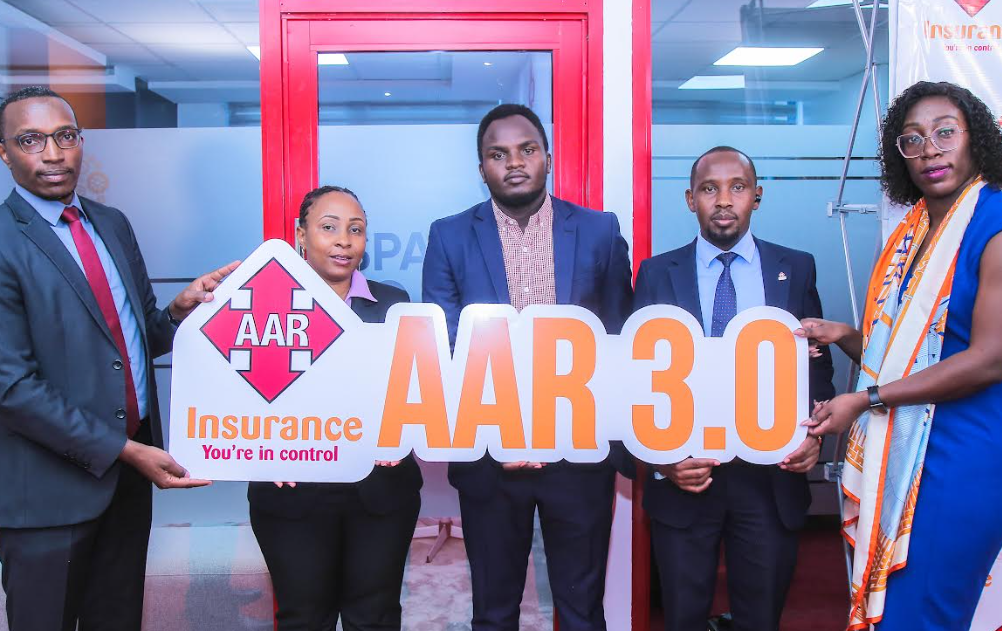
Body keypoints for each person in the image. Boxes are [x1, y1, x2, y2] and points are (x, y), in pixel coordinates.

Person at [0, 85, 239, 631]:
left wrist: (177, 314)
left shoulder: (111, 223)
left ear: (81, 141)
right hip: (47, 497)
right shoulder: (4, 242)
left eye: (64, 136)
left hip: (125, 487)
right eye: (31, 140)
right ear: (5, 152)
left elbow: (128, 345)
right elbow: (10, 386)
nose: (53, 153)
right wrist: (123, 449)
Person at [422, 103, 633, 631]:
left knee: (582, 610)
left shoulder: (599, 231)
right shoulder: (449, 236)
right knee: (493, 612)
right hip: (491, 457)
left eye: (527, 150)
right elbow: (446, 346)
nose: (514, 162)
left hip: (579, 455)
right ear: (482, 169)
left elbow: (620, 341)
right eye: (498, 154)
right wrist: (503, 431)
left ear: (547, 158)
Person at [800, 82, 1002, 630]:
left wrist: (865, 399)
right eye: (912, 141)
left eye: (944, 133)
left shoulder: (994, 221)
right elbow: (907, 355)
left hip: (964, 455)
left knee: (924, 614)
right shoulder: (912, 232)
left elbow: (989, 358)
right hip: (905, 447)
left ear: (976, 139)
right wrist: (845, 335)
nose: (930, 150)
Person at [633, 146, 836, 631]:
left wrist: (815, 435)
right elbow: (636, 379)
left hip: (770, 479)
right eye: (709, 188)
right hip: (688, 474)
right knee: (682, 618)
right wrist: (661, 459)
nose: (724, 200)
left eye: (737, 187)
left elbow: (816, 367)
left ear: (756, 197)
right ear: (690, 200)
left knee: (760, 619)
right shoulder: (657, 273)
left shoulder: (797, 267)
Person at [248, 185, 422, 631]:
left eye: (356, 229)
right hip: (292, 492)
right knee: (304, 617)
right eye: (329, 228)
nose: (344, 240)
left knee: (376, 617)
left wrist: (401, 435)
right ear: (300, 235)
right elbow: (241, 391)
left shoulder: (393, 304)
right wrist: (260, 445)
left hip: (380, 490)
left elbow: (414, 389)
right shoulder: (264, 301)